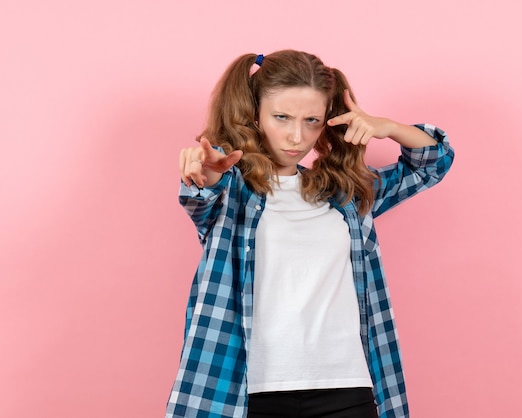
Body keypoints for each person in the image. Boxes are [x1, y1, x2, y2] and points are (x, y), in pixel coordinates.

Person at [167, 50, 454, 418]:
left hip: (346, 388)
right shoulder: (232, 192)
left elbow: (434, 162)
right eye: (282, 117)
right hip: (247, 392)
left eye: (312, 120)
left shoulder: (346, 194)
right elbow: (199, 196)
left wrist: (386, 126)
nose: (296, 136)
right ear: (256, 115)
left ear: (327, 123)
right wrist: (204, 177)